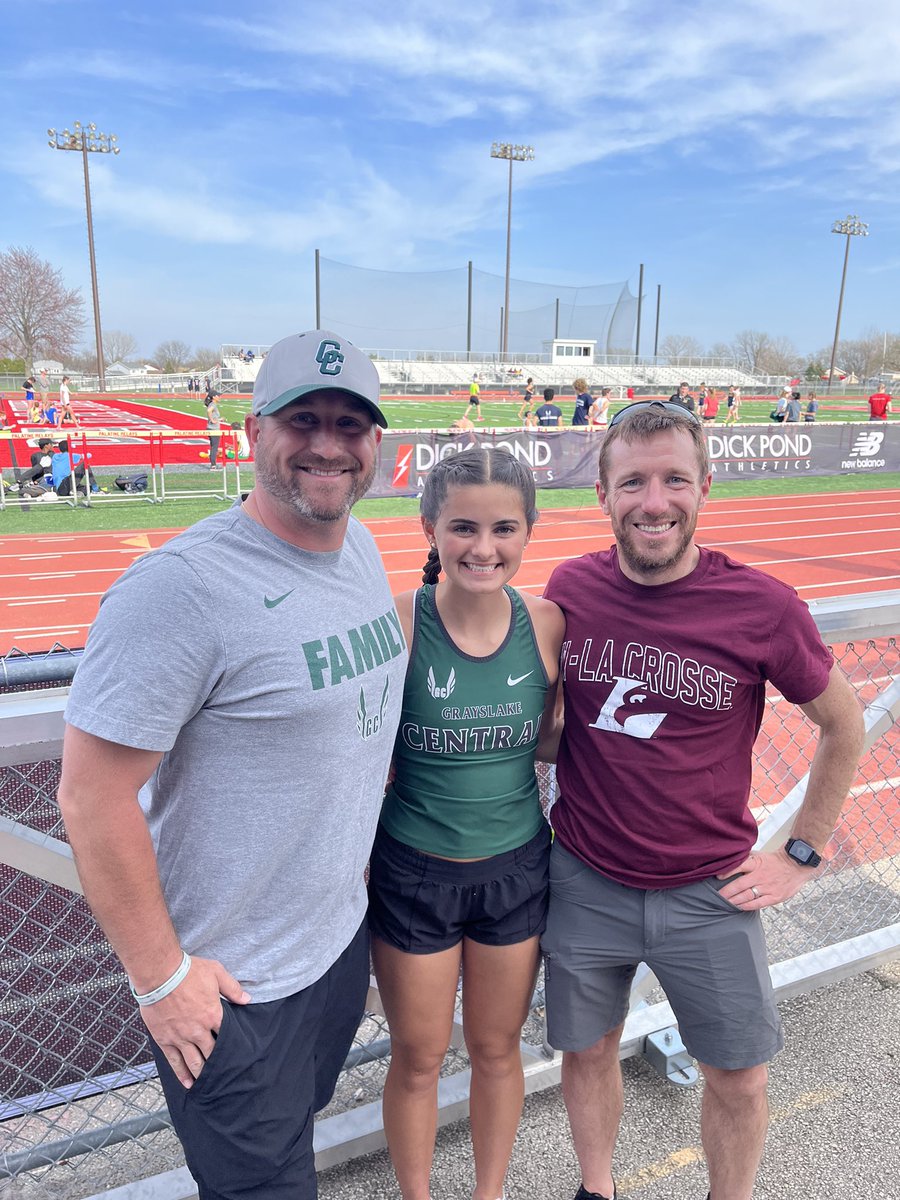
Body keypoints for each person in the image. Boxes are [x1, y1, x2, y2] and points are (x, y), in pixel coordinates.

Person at [57, 330, 407, 1200]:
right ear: (253, 432)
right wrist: (162, 982)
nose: (328, 443)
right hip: (231, 992)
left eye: (351, 424)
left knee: (299, 1134)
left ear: (375, 446)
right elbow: (90, 795)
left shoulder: (358, 547)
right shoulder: (181, 588)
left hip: (333, 951)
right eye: (303, 420)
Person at [539, 400, 864, 1200]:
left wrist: (802, 850)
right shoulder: (570, 587)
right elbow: (545, 722)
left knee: (740, 1079)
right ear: (604, 495)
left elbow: (845, 726)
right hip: (585, 876)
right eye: (634, 482)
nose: (655, 502)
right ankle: (597, 1188)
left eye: (675, 479)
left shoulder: (762, 605)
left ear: (705, 488)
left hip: (710, 891)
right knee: (586, 1053)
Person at [368, 447, 565, 1200]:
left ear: (528, 532)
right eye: (463, 527)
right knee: (417, 1058)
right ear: (429, 528)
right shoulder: (396, 626)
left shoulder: (546, 624)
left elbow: (553, 735)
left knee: (496, 1048)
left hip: (515, 868)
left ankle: (489, 1194)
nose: (484, 548)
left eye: (504, 528)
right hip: (416, 871)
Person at [204, 389, 223, 467]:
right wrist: (212, 420)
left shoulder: (212, 404)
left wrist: (219, 419)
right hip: (213, 429)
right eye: (218, 396)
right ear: (214, 397)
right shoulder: (213, 404)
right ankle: (213, 465)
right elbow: (209, 411)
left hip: (211, 428)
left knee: (213, 447)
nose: (220, 397)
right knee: (214, 447)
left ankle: (213, 464)